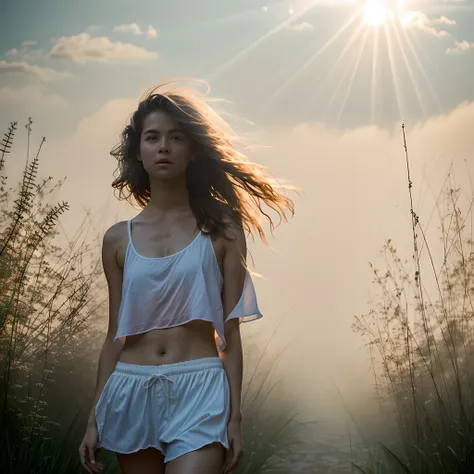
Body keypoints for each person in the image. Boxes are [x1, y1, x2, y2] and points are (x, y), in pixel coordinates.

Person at [78, 80, 295, 474]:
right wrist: (94, 418)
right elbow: (114, 336)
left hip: (200, 389)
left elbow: (230, 335)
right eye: (152, 138)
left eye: (176, 137)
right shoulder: (116, 241)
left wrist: (235, 419)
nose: (163, 146)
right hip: (131, 387)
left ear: (193, 151)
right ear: (139, 153)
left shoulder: (222, 230)